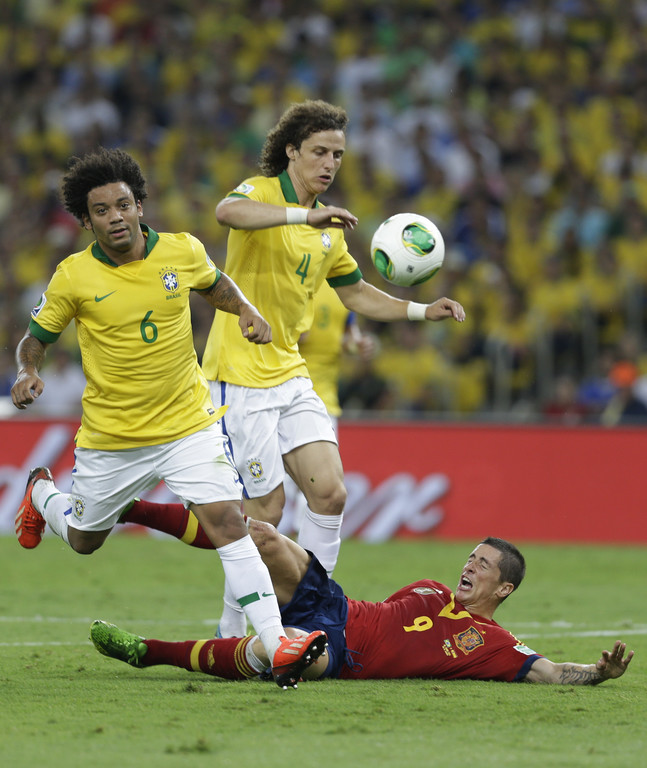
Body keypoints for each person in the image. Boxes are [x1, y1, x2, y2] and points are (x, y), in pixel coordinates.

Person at [118, 100, 465, 637]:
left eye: (338, 155)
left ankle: (312, 612)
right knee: (264, 512)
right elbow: (226, 213)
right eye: (320, 152)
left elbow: (356, 294)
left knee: (331, 493)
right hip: (238, 376)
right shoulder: (262, 194)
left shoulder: (330, 230)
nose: (330, 163)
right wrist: (305, 215)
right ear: (292, 152)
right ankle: (233, 631)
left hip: (290, 372)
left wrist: (421, 310)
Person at [10, 147, 327, 689]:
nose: (116, 217)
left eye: (123, 205)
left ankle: (276, 645)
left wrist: (246, 310)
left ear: (139, 205)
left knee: (228, 523)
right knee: (84, 540)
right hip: (114, 437)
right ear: (86, 221)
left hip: (188, 425)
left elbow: (215, 283)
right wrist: (27, 371)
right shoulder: (73, 276)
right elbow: (34, 339)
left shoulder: (182, 249)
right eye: (101, 211)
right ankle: (41, 493)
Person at [91, 520, 634, 686]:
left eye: (483, 565)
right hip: (337, 605)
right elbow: (386, 621)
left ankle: (148, 652)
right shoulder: (429, 589)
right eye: (471, 557)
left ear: (504, 589)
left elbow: (549, 671)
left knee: (285, 647)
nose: (469, 566)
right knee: (263, 536)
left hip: (340, 653)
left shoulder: (490, 644)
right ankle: (131, 509)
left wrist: (598, 673)